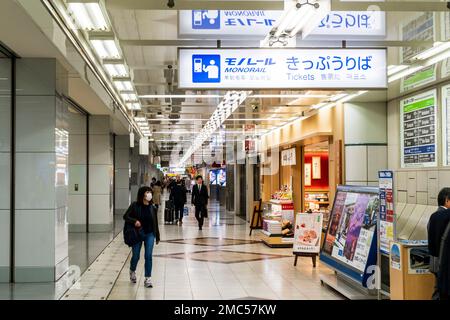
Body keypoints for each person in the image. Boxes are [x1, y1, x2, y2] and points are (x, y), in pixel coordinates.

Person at [123, 186, 160, 288]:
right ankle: (132, 270)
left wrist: (157, 236)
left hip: (149, 234)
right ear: (142, 194)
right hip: (137, 234)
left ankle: (148, 278)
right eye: (147, 192)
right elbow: (125, 216)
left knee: (148, 256)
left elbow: (155, 223)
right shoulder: (135, 205)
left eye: (150, 192)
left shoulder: (153, 208)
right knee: (136, 256)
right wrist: (135, 221)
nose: (149, 194)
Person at [427, 187, 450, 300]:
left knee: (438, 288)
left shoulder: (433, 216)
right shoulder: (445, 216)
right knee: (442, 289)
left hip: (434, 260)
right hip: (444, 261)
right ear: (447, 200)